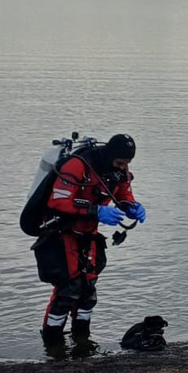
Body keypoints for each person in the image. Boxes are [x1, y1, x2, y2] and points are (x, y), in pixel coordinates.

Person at [34, 134, 146, 355]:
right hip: (62, 233)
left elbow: (123, 193)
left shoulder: (118, 171)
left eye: (126, 163)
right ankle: (52, 345)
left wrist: (131, 206)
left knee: (88, 291)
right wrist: (96, 210)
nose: (123, 167)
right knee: (68, 290)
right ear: (110, 155)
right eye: (120, 162)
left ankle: (82, 340)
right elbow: (58, 202)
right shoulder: (77, 166)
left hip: (89, 235)